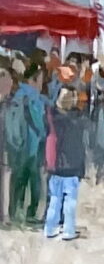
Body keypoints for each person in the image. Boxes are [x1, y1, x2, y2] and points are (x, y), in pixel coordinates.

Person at [42, 86, 91, 240]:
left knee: (54, 199)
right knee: (70, 201)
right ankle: (68, 230)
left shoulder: (52, 119)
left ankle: (50, 228)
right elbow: (79, 148)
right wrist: (82, 169)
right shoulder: (76, 122)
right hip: (72, 167)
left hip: (55, 167)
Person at [4, 63, 48, 227]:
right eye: (40, 80)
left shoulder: (16, 96)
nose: (41, 84)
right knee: (33, 182)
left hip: (17, 145)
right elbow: (39, 123)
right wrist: (44, 133)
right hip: (32, 147)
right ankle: (29, 214)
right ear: (32, 80)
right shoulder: (34, 98)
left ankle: (15, 212)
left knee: (18, 181)